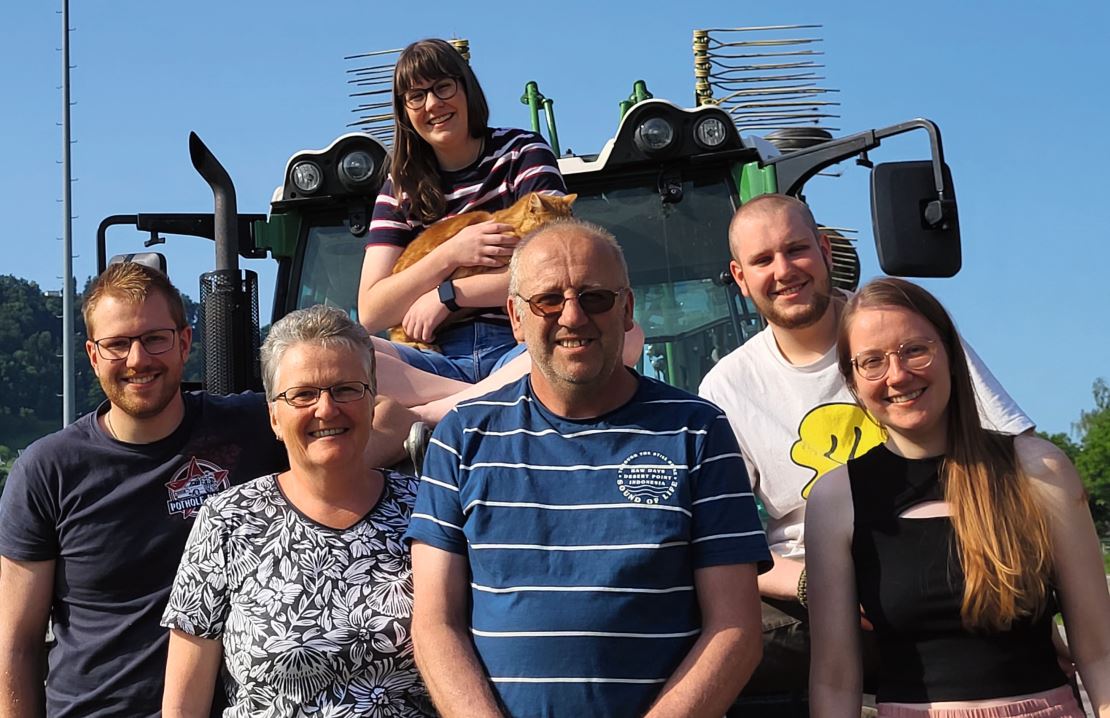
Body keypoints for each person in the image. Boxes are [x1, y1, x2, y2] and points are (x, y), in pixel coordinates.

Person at [406, 218, 771, 717]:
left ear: (627, 310)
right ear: (515, 317)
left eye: (595, 297)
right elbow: (434, 624)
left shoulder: (697, 431)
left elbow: (736, 629)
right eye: (548, 300)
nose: (573, 316)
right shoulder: (461, 438)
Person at [697, 194, 1033, 706]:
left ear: (826, 251)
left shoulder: (901, 329)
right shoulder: (727, 388)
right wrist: (819, 586)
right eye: (763, 260)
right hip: (809, 595)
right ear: (740, 278)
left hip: (939, 559)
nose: (784, 271)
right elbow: (731, 542)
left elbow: (1013, 451)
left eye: (796, 249)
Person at [806, 277, 1110, 717]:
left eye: (914, 350)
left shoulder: (1038, 470)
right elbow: (834, 682)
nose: (898, 375)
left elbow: (1100, 654)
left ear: (950, 354)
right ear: (853, 381)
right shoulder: (837, 499)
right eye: (872, 361)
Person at [0, 262, 289, 717]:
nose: (138, 360)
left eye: (154, 338)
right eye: (118, 344)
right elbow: (16, 646)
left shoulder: (254, 427)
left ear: (185, 342)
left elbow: (354, 396)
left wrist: (438, 408)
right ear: (93, 356)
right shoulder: (48, 471)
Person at [161, 305, 433, 716]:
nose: (326, 409)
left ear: (372, 398)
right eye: (303, 394)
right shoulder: (227, 521)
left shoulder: (428, 509)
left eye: (346, 389)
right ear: (273, 415)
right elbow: (184, 706)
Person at [358, 37, 566, 385]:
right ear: (405, 111)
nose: (433, 104)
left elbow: (558, 273)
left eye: (443, 87)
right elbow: (372, 310)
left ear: (466, 88)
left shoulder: (521, 154)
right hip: (432, 356)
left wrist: (449, 296)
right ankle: (479, 401)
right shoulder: (400, 188)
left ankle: (445, 410)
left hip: (520, 346)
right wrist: (451, 253)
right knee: (348, 354)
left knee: (621, 338)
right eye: (416, 96)